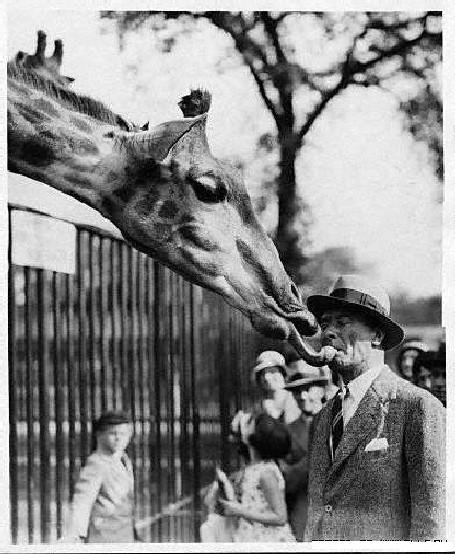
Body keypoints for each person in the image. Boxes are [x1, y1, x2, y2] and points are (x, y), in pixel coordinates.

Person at [303, 274, 445, 541]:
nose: (329, 332)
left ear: (377, 335)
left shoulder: (418, 407)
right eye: (325, 323)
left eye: (343, 322)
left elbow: (433, 526)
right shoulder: (321, 419)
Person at [218, 411, 297, 542]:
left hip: (269, 539)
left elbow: (280, 517)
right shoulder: (253, 468)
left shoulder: (266, 473)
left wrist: (240, 511)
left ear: (255, 438)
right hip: (254, 535)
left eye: (249, 424)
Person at [63, 411, 137, 543]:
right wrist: (75, 534)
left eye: (124, 434)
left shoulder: (123, 460)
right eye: (113, 433)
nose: (119, 438)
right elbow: (83, 500)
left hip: (125, 535)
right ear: (99, 435)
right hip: (104, 537)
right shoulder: (96, 463)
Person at [280, 365, 329, 540]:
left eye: (307, 389)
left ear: (321, 390)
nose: (302, 396)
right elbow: (284, 473)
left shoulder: (336, 421)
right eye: (296, 391)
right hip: (303, 504)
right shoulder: (287, 430)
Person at [252, 351, 300, 423]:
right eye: (263, 374)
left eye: (272, 371)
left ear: (283, 375)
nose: (267, 377)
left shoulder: (295, 399)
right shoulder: (260, 406)